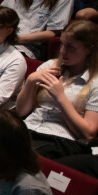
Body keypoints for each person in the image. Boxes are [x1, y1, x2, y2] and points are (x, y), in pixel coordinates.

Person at [16, 19, 98, 159]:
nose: (62, 51)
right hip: (28, 128)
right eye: (62, 44)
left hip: (60, 139)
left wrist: (60, 97)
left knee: (19, 155)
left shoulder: (95, 82)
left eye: (71, 47)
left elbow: (88, 133)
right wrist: (30, 81)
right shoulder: (50, 66)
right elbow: (21, 111)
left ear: (89, 49)